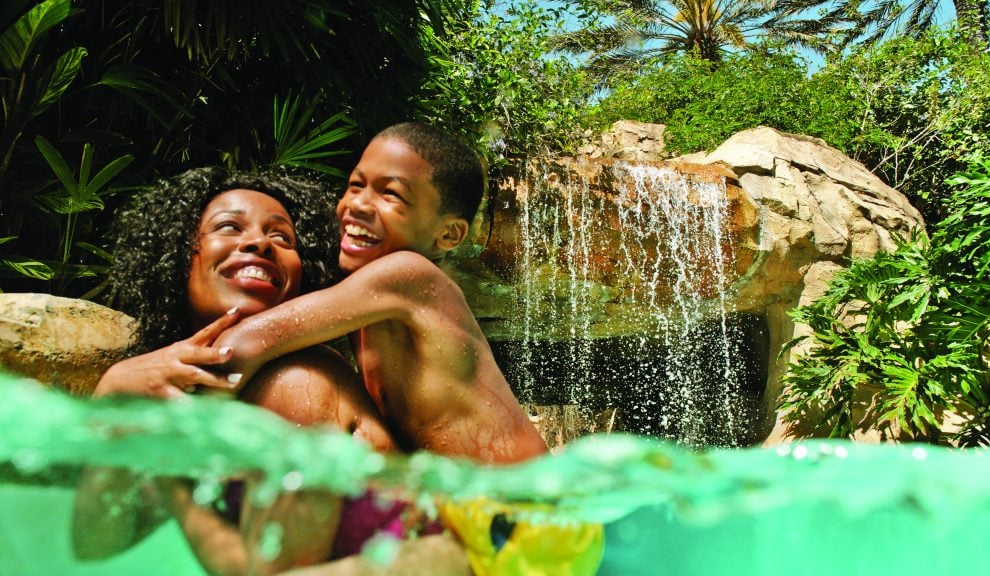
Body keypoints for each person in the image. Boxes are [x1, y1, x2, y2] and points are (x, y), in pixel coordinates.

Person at [213, 123, 603, 574]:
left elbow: (246, 344)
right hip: (473, 521)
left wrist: (141, 387)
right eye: (355, 184)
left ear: (449, 236)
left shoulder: (408, 277)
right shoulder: (366, 303)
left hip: (531, 524)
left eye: (390, 194)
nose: (357, 204)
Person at [73, 167, 411, 575]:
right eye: (229, 227)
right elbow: (97, 542)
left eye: (282, 237)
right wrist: (113, 393)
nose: (258, 243)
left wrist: (172, 482)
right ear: (180, 257)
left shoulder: (295, 378)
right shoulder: (190, 389)